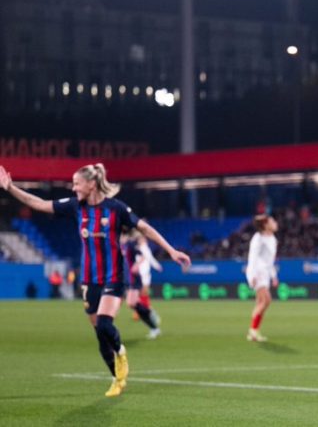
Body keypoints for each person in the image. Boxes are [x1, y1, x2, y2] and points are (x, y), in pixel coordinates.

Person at [0, 163, 190, 397]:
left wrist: (171, 250)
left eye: (77, 183)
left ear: (91, 184)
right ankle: (116, 378)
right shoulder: (75, 206)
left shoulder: (116, 208)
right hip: (90, 278)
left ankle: (121, 353)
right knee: (100, 334)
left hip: (114, 275)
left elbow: (145, 228)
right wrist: (11, 188)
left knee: (104, 323)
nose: (73, 188)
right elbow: (38, 203)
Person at [244, 214, 279, 342]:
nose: (275, 223)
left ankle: (254, 331)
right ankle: (253, 330)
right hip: (257, 273)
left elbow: (270, 260)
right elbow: (252, 258)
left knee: (260, 303)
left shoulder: (273, 239)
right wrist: (252, 275)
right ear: (265, 225)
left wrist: (274, 276)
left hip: (265, 274)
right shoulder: (258, 238)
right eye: (272, 221)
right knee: (266, 300)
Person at [122, 231, 161, 339]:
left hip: (134, 278)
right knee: (132, 303)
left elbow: (143, 255)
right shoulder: (118, 245)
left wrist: (137, 265)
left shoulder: (130, 244)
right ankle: (150, 315)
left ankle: (152, 320)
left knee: (132, 302)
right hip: (126, 278)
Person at [135, 233, 163, 328]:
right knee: (140, 296)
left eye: (142, 238)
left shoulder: (144, 248)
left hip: (144, 275)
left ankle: (150, 313)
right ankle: (144, 312)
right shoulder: (138, 248)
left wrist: (157, 266)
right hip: (139, 275)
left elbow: (151, 259)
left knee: (143, 294)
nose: (141, 240)